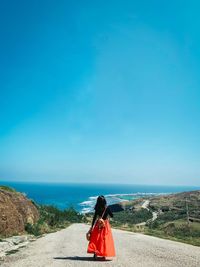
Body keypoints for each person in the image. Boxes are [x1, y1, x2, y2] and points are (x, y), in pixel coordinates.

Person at [87, 195, 116, 260]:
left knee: (96, 239)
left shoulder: (97, 208)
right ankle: (104, 255)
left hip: (98, 224)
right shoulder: (107, 208)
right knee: (104, 239)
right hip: (105, 225)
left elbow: (94, 218)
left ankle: (95, 253)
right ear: (104, 201)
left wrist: (92, 226)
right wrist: (108, 212)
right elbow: (112, 215)